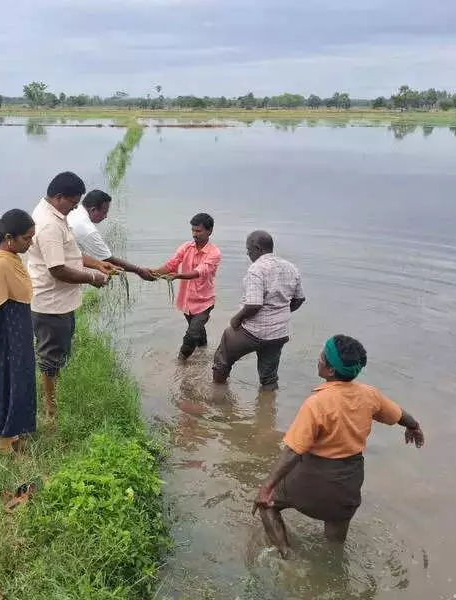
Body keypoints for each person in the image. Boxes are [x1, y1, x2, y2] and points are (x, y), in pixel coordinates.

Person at [254, 334, 425, 559]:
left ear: (330, 370)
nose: (319, 359)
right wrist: (414, 427)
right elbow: (400, 415)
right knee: (335, 540)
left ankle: (286, 555)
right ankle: (334, 566)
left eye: (323, 357)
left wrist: (267, 487)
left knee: (267, 504)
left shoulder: (317, 403)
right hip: (347, 487)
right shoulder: (369, 395)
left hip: (311, 482)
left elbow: (293, 452)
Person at [25, 172, 119, 422]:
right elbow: (57, 269)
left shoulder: (56, 214)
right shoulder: (49, 225)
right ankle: (50, 411)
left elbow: (71, 253)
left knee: (56, 352)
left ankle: (50, 395)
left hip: (60, 302)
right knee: (50, 357)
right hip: (51, 304)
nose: (75, 208)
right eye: (73, 203)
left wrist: (97, 264)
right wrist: (93, 278)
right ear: (58, 197)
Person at [0, 209, 38, 455]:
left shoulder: (11, 259)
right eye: (26, 239)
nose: (30, 243)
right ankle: (5, 444)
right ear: (10, 238)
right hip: (5, 341)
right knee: (6, 388)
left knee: (21, 385)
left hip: (18, 336)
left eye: (31, 238)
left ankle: (18, 436)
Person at [212, 231, 305, 391]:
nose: (249, 255)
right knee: (269, 378)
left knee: (222, 358)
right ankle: (267, 409)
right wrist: (281, 314)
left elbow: (254, 305)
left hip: (252, 332)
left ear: (257, 248)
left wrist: (237, 319)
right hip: (278, 335)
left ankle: (219, 396)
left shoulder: (256, 269)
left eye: (249, 251)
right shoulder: (291, 268)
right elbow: (299, 299)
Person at [152, 213, 221, 360]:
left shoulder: (214, 253)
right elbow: (172, 264)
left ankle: (181, 363)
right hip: (187, 301)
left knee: (191, 335)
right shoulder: (186, 247)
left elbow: (199, 272)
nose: (194, 234)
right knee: (198, 333)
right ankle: (203, 356)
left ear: (209, 231)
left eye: (198, 231)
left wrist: (178, 276)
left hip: (204, 302)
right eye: (193, 230)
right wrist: (153, 272)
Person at [67, 189, 156, 281]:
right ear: (93, 209)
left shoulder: (73, 210)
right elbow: (108, 260)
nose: (105, 216)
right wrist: (139, 271)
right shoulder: (87, 229)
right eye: (104, 212)